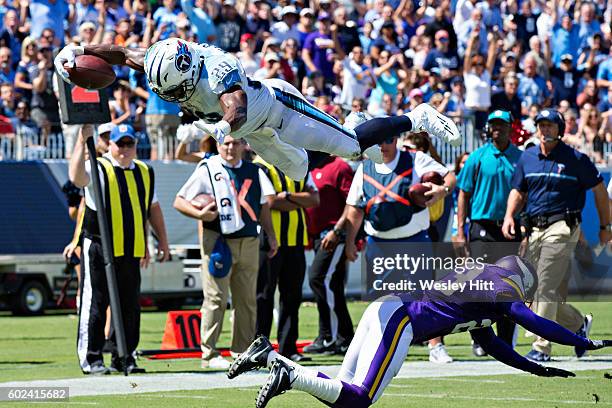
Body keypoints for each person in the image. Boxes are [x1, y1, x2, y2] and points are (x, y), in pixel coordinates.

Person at [229, 255, 612, 408]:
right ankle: (290, 374)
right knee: (359, 399)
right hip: (401, 320)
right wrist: (582, 341)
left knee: (344, 386)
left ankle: (270, 357)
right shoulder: (502, 287)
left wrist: (534, 368)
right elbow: (533, 321)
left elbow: (491, 342)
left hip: (386, 308)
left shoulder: (485, 285)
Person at [54, 38, 461, 181]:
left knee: (353, 147)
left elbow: (237, 110)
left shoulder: (220, 72)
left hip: (278, 111)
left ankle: (416, 116)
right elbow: (123, 53)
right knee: (302, 171)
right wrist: (80, 52)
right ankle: (352, 128)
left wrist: (213, 130)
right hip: (256, 133)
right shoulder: (167, 61)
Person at [342, 112, 457, 364]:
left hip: (413, 239)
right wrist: (350, 242)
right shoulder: (364, 167)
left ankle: (435, 346)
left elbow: (450, 176)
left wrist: (441, 190)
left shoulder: (416, 160)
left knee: (425, 296)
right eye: (379, 141)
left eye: (388, 140)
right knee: (381, 299)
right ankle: (384, 346)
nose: (383, 146)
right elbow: (354, 208)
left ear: (396, 139)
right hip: (378, 243)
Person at [502, 109, 611, 361]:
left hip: (563, 227)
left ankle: (541, 348)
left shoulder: (576, 159)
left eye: (550, 125)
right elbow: (518, 191)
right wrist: (509, 216)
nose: (545, 129)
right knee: (533, 292)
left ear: (560, 129)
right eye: (541, 125)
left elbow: (600, 191)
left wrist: (606, 226)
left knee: (545, 284)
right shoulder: (527, 157)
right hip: (534, 229)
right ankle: (577, 325)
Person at [69, 123, 170, 375]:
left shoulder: (145, 171)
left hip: (132, 246)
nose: (125, 149)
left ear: (136, 145)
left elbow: (152, 208)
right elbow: (76, 178)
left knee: (129, 305)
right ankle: (91, 358)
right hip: (101, 245)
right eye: (120, 143)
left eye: (129, 143)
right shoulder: (99, 166)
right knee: (96, 302)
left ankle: (124, 356)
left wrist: (162, 241)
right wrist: (82, 142)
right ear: (109, 145)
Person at [173, 135, 278, 369]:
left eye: (234, 143)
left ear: (243, 145)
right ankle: (209, 353)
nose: (230, 148)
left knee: (247, 300)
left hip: (249, 239)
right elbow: (179, 201)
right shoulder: (207, 168)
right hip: (218, 240)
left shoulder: (255, 170)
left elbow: (263, 206)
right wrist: (199, 214)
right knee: (215, 298)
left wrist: (271, 235)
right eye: (225, 143)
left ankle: (241, 351)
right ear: (218, 145)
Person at [455, 110, 523, 356]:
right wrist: (461, 230)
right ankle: (480, 338)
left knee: (508, 287)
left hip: (509, 227)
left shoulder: (520, 158)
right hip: (481, 226)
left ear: (510, 127)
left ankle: (505, 341)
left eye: (502, 124)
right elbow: (463, 193)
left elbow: (527, 193)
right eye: (493, 124)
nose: (497, 129)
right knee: (479, 286)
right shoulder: (478, 156)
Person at [254, 157, 319, 362]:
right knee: (264, 295)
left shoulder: (299, 165)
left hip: (296, 240)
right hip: (268, 241)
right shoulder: (261, 166)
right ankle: (260, 347)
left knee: (292, 296)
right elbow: (271, 201)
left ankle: (288, 348)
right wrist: (299, 199)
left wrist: (287, 196)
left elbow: (315, 200)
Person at [303, 139, 356, 355]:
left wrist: (339, 232)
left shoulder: (339, 167)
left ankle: (332, 337)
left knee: (319, 278)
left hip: (334, 235)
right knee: (330, 284)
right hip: (318, 236)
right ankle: (338, 336)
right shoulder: (309, 166)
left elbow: (352, 203)